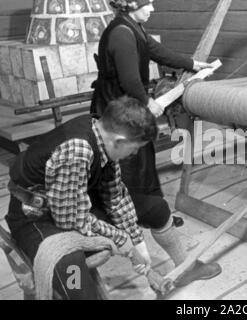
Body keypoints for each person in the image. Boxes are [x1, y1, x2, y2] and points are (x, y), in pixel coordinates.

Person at [91, 0, 221, 283]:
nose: (152, 8)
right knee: (130, 175)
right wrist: (150, 102)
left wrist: (193, 64)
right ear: (130, 5)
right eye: (147, 2)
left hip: (126, 110)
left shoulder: (132, 27)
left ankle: (155, 218)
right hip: (119, 113)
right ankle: (146, 218)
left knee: (144, 165)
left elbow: (156, 51)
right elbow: (130, 81)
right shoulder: (122, 34)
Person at [6, 96, 157, 299]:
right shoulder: (78, 150)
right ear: (119, 141)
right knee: (73, 275)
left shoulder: (102, 134)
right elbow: (70, 220)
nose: (135, 153)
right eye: (135, 148)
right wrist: (123, 240)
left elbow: (116, 197)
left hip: (65, 203)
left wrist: (138, 245)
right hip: (33, 216)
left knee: (155, 209)